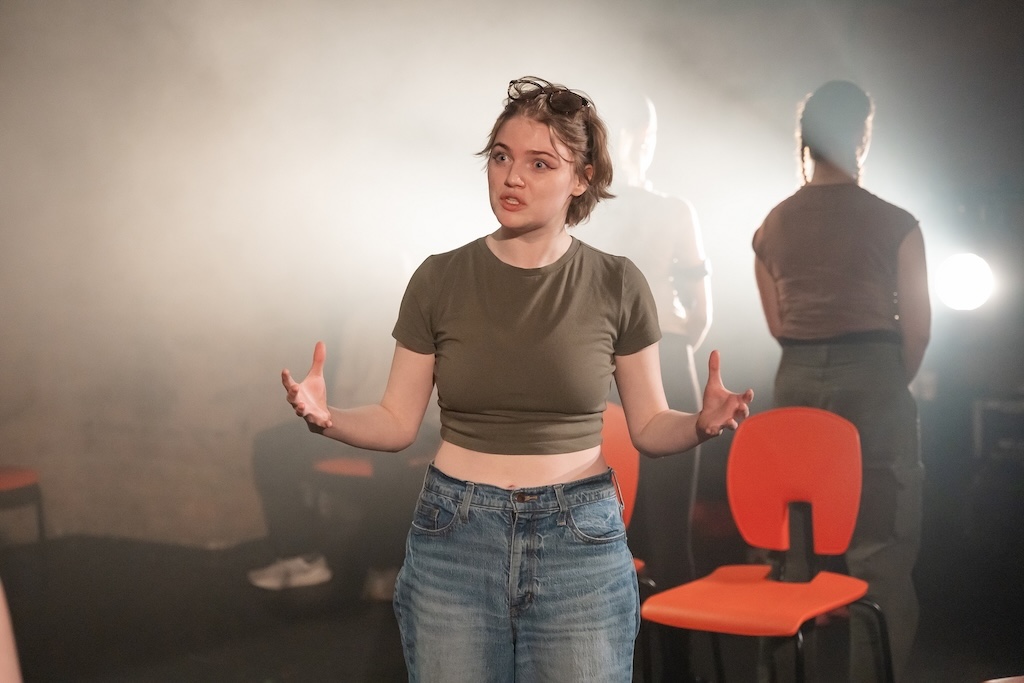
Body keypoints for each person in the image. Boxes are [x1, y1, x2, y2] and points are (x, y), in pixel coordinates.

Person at [283, 76, 753, 682]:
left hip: (577, 541)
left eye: (540, 163)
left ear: (582, 178)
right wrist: (329, 419)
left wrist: (700, 425)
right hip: (455, 536)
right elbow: (397, 422)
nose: (512, 178)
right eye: (502, 157)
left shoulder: (617, 282)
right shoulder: (439, 279)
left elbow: (650, 426)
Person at [752, 80, 930, 682]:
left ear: (805, 139)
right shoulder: (896, 223)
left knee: (795, 551)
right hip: (875, 373)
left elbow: (779, 325)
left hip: (797, 379)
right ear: (862, 136)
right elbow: (919, 331)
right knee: (880, 551)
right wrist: (884, 383)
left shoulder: (772, 226)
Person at [583, 90, 712, 680]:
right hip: (663, 362)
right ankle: (675, 672)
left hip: (595, 367)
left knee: (592, 533)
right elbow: (700, 314)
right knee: (668, 535)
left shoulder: (581, 206)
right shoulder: (672, 211)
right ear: (644, 137)